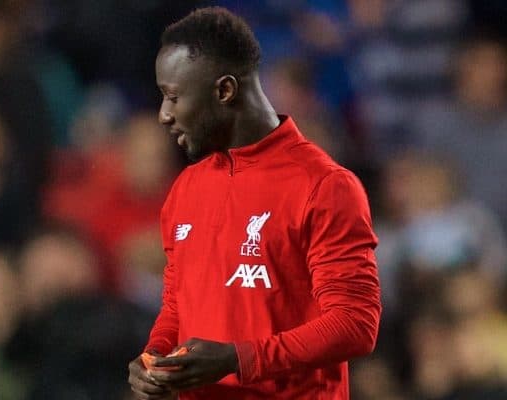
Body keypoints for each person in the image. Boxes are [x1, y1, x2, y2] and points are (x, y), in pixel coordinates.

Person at [128, 7, 381, 400]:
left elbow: (355, 324)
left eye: (174, 97)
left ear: (225, 90)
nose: (164, 115)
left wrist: (238, 359)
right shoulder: (187, 187)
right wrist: (156, 354)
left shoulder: (324, 186)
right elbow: (178, 305)